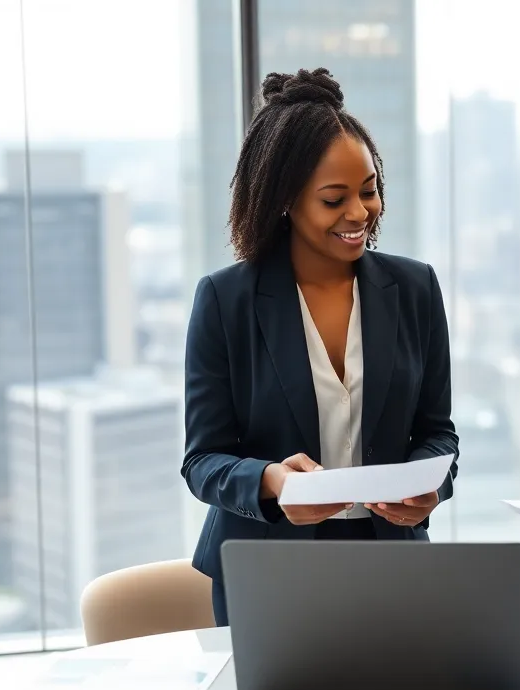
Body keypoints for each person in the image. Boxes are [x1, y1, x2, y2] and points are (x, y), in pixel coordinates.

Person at [182, 68, 458, 627]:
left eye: (369, 190)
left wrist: (430, 485)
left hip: (392, 564)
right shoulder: (225, 300)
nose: (359, 213)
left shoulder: (415, 288)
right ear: (285, 200)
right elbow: (202, 460)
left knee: (397, 688)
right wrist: (273, 482)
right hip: (266, 568)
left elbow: (437, 433)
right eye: (334, 199)